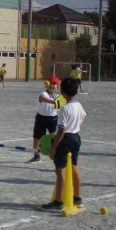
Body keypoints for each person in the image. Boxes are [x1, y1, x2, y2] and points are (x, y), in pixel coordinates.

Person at [40, 78, 87, 211]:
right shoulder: (79, 105)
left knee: (60, 170)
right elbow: (84, 115)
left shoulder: (65, 108)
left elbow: (61, 130)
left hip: (65, 139)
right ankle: (77, 198)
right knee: (74, 167)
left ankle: (58, 201)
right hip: (76, 137)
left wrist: (54, 148)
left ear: (62, 92)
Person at [28, 77, 60, 162]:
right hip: (41, 118)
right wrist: (53, 102)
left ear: (57, 86)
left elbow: (65, 105)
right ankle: (36, 155)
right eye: (50, 83)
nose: (52, 85)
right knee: (37, 138)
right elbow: (42, 98)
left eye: (54, 84)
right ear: (47, 84)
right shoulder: (43, 93)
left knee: (54, 137)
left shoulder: (59, 97)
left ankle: (56, 155)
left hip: (52, 119)